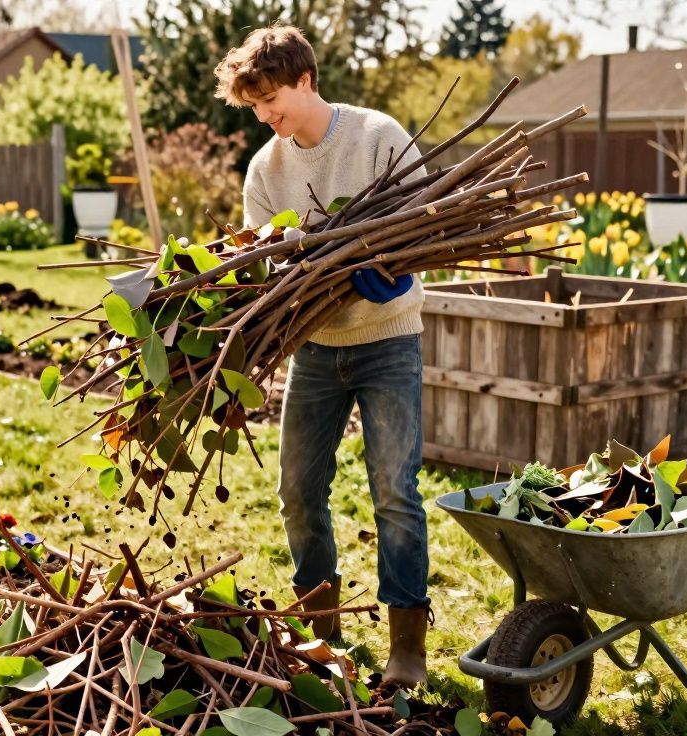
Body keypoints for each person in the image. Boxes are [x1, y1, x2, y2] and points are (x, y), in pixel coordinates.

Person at [213, 23, 430, 688]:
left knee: (394, 492)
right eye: (253, 105)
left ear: (306, 80)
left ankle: (408, 651)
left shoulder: (378, 138)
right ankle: (322, 638)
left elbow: (424, 229)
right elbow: (263, 265)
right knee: (298, 492)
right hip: (316, 350)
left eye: (271, 97)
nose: (265, 115)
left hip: (388, 339)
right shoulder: (266, 169)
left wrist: (397, 274)